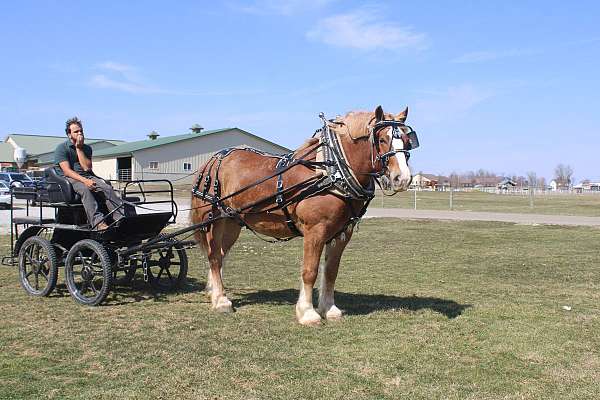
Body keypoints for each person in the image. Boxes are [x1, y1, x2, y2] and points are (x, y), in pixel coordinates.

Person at [54, 117, 124, 230]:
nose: (80, 133)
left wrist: (79, 148)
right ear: (69, 134)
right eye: (76, 131)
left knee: (107, 188)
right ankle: (98, 223)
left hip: (86, 175)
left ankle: (120, 218)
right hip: (68, 178)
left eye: (81, 131)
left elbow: (86, 168)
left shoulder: (87, 148)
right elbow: (67, 171)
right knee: (85, 190)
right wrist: (85, 181)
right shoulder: (62, 148)